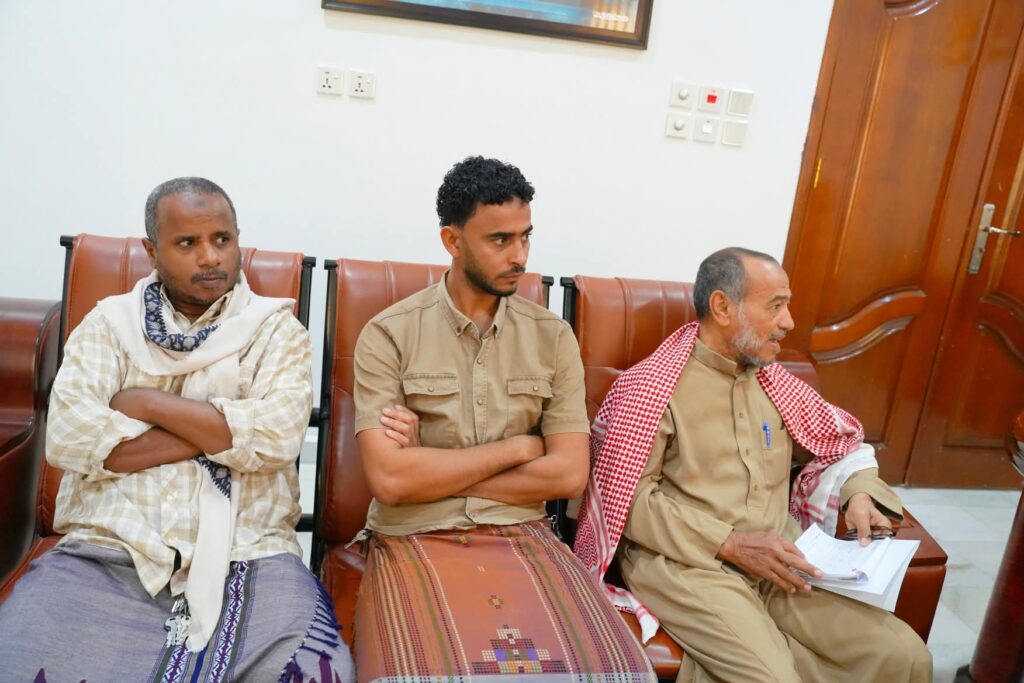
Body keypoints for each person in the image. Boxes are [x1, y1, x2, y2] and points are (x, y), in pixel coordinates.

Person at [0, 177, 354, 682]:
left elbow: (276, 439)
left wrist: (147, 403)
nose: (210, 257)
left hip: (251, 552)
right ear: (152, 251)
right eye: (187, 243)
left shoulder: (276, 331)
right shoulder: (109, 326)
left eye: (222, 239)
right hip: (108, 549)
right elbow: (70, 437)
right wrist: (222, 431)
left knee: (315, 672)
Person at [351, 156, 654, 682]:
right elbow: (391, 481)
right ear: (452, 240)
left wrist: (432, 465)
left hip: (524, 532)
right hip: (412, 533)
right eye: (499, 240)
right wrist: (518, 449)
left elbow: (568, 475)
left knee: (618, 674)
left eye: (525, 237)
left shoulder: (552, 337)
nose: (519, 257)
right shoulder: (389, 335)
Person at [573, 247, 932, 683]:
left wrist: (858, 493)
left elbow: (839, 443)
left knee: (905, 657)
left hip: (782, 559)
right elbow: (626, 503)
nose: (789, 322)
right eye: (775, 306)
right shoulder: (648, 389)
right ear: (723, 307)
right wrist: (729, 543)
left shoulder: (776, 383)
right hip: (688, 564)